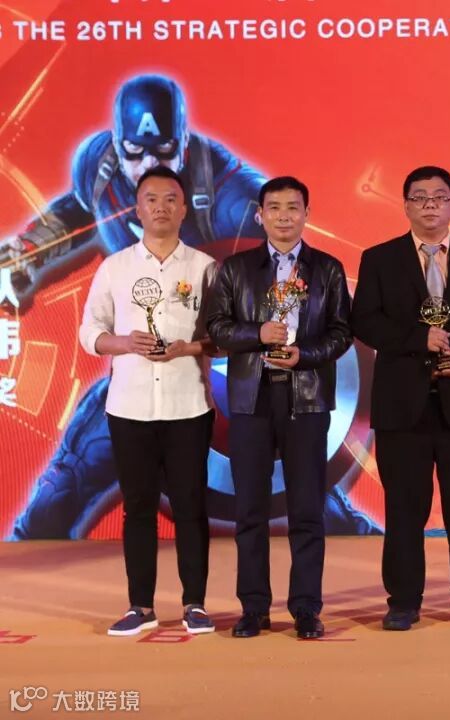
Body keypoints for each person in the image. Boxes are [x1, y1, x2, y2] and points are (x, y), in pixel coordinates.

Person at [6, 74, 265, 541]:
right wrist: (25, 252)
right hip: (136, 382)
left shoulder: (232, 197)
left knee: (293, 480)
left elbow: (285, 264)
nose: (148, 166)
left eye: (163, 153)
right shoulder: (99, 168)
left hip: (220, 378)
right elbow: (77, 210)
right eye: (134, 154)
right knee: (64, 488)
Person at [352, 166, 450, 631]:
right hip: (403, 406)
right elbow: (365, 321)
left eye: (439, 196)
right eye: (419, 197)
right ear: (405, 206)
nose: (430, 205)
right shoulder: (380, 259)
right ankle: (403, 601)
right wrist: (418, 339)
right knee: (404, 507)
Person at [206, 176, 352, 640]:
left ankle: (306, 608)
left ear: (307, 214)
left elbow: (342, 333)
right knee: (250, 508)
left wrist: (303, 354)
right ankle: (254, 607)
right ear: (259, 214)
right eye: (275, 207)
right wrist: (257, 334)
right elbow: (216, 327)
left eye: (293, 207)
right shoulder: (236, 268)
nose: (284, 216)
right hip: (251, 399)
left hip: (306, 398)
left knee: (307, 508)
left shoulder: (327, 269)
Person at [77, 166, 217, 636]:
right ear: (136, 209)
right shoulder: (115, 267)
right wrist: (122, 343)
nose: (161, 207)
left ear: (184, 207)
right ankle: (140, 606)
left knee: (190, 506)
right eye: (151, 199)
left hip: (187, 406)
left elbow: (221, 336)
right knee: (137, 507)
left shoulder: (204, 268)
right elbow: (89, 330)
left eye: (171, 198)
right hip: (129, 407)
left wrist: (187, 348)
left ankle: (195, 603)